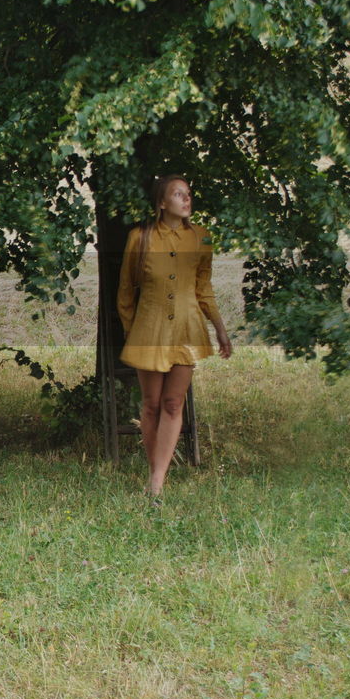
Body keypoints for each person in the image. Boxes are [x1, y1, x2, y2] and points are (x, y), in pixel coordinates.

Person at [116, 174, 232, 505]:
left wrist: (220, 328)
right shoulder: (139, 238)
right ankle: (156, 476)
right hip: (148, 330)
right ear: (162, 203)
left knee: (172, 403)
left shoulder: (203, 238)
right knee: (151, 404)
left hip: (187, 329)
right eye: (177, 194)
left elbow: (204, 288)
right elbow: (125, 289)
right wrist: (130, 330)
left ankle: (156, 482)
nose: (186, 199)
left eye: (189, 194)